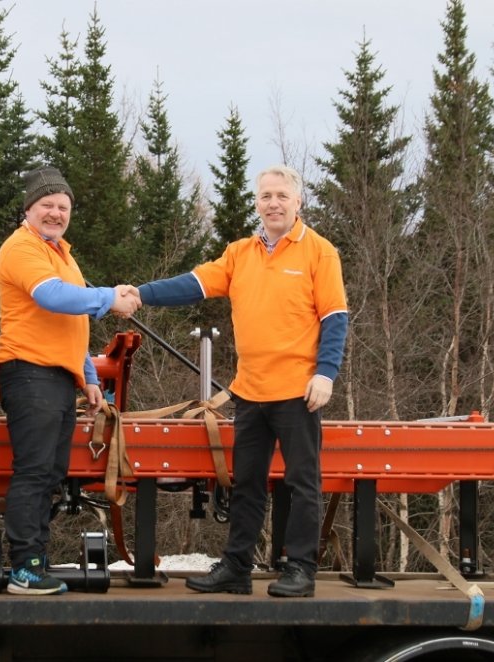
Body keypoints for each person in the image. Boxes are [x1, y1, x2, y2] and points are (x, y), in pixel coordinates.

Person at [129, 165, 348, 598]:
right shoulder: (239, 254)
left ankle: (301, 569)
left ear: (297, 202)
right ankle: (237, 567)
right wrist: (140, 293)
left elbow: (335, 318)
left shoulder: (320, 253)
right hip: (250, 391)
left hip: (298, 392)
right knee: (245, 484)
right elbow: (193, 284)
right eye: (266, 196)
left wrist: (326, 373)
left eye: (282, 196)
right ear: (257, 203)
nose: (273, 203)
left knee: (303, 483)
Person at [0, 166, 140, 595]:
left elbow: (69, 322)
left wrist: (90, 376)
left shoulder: (60, 252)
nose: (56, 213)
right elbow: (52, 297)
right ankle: (25, 568)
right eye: (47, 205)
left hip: (57, 376)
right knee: (35, 471)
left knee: (51, 471)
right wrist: (109, 297)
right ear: (29, 210)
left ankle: (35, 563)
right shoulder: (22, 249)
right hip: (29, 372)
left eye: (63, 206)